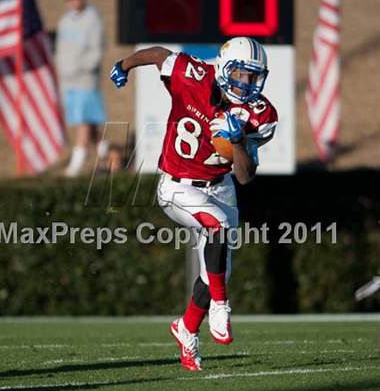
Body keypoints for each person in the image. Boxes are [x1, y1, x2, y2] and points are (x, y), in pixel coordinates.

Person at [110, 37, 278, 371]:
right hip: (177, 186)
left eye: (253, 77)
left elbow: (245, 176)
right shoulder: (192, 74)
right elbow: (158, 55)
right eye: (242, 75)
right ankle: (220, 305)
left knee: (215, 270)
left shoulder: (258, 114)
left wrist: (239, 140)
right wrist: (124, 65)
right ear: (225, 68)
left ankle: (186, 328)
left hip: (222, 186)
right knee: (215, 232)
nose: (247, 84)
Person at [55, 0, 110, 177]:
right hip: (68, 81)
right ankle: (106, 156)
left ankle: (77, 162)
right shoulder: (64, 21)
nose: (74, 1)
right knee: (91, 120)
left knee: (84, 120)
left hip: (85, 80)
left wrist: (82, 69)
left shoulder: (92, 19)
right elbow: (61, 50)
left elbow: (96, 50)